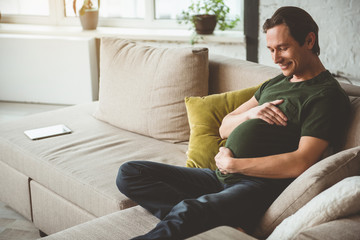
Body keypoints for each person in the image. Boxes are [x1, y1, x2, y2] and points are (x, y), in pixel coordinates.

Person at [116, 6, 351, 240]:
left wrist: (234, 165)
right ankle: (219, 220)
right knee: (130, 173)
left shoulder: (325, 95)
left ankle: (201, 216)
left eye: (283, 48)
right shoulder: (277, 82)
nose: (276, 58)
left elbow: (301, 162)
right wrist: (252, 114)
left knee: (189, 211)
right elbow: (224, 126)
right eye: (271, 49)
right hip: (219, 176)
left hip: (257, 186)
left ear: (309, 41)